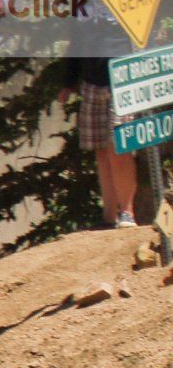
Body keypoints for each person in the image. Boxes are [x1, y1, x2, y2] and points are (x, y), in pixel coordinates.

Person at [59, 19, 137, 228]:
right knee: (101, 150)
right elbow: (76, 45)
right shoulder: (82, 5)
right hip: (91, 85)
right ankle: (109, 217)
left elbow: (141, 33)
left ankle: (127, 213)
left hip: (120, 80)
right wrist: (68, 83)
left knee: (119, 147)